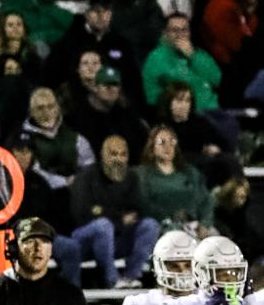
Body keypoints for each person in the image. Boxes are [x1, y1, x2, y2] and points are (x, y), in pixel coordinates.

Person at [68, 133, 159, 288]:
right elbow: (81, 214)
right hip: (85, 241)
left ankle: (131, 276)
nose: (118, 159)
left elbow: (140, 211)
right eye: (113, 154)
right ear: (103, 155)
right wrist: (119, 218)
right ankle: (112, 279)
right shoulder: (86, 176)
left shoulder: (131, 177)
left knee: (150, 225)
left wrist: (105, 213)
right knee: (103, 225)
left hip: (118, 239)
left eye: (123, 154)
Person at [135, 124, 213, 231]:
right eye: (162, 142)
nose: (168, 147)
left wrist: (205, 223)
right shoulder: (142, 174)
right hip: (162, 227)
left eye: (172, 142)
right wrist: (168, 220)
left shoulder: (190, 172)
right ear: (152, 146)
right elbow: (145, 205)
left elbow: (206, 201)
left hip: (194, 226)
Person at [141, 17, 223, 116]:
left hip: (211, 110)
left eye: (184, 30)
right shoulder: (156, 58)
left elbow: (217, 80)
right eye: (175, 30)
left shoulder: (199, 53)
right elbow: (152, 96)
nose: (180, 35)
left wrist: (193, 57)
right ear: (166, 33)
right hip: (182, 115)